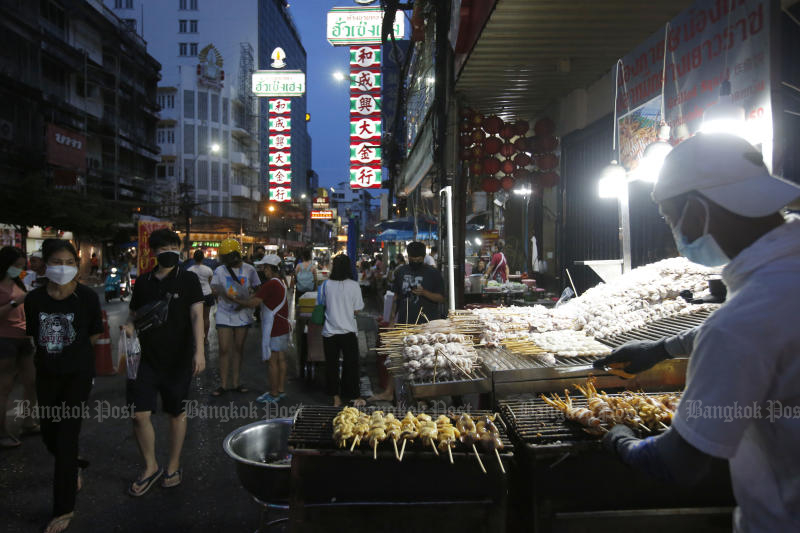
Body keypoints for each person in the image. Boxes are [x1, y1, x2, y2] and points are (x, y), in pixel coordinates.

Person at [596, 133, 800, 532]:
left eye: (669, 218)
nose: (675, 229)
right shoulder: (779, 282)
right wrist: (662, 348)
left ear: (695, 211)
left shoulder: (739, 325)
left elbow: (676, 463)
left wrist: (619, 440)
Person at [24, 239, 103, 533]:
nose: (64, 268)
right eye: (58, 262)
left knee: (67, 437)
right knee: (49, 435)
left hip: (77, 377)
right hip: (46, 374)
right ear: (46, 265)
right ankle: (72, 466)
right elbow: (35, 335)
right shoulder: (34, 300)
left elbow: (94, 335)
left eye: (70, 263)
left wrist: (77, 359)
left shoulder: (87, 298)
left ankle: (63, 508)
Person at [123, 228, 205, 497]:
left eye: (172, 246)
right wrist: (130, 327)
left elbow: (197, 316)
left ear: (179, 249)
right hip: (145, 359)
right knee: (138, 414)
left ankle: (173, 464)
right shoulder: (144, 281)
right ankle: (150, 466)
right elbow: (135, 313)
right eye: (161, 247)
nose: (167, 251)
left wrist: (199, 352)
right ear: (153, 252)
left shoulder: (189, 279)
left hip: (178, 358)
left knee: (175, 413)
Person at [370, 243, 445, 402]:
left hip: (426, 323)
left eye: (418, 258)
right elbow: (396, 297)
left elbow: (441, 298)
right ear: (408, 257)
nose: (415, 261)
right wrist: (391, 320)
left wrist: (424, 292)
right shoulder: (401, 271)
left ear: (424, 257)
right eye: (412, 258)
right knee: (397, 357)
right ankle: (389, 392)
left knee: (424, 360)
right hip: (403, 320)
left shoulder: (434, 274)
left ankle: (424, 396)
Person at [235, 255, 290, 404]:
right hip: (283, 326)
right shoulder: (281, 282)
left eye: (265, 267)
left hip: (274, 328)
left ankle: (273, 394)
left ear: (271, 268)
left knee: (272, 361)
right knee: (281, 359)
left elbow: (254, 302)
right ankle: (280, 389)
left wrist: (236, 300)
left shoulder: (271, 284)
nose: (263, 270)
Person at [210, 238, 260, 396]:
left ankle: (236, 382)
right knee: (224, 349)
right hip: (224, 313)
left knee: (238, 348)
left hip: (242, 313)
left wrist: (248, 300)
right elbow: (214, 288)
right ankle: (223, 384)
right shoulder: (220, 270)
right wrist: (219, 293)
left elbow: (258, 289)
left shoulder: (250, 269)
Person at [0, 247, 38, 448]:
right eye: (17, 266)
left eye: (22, 266)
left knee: (31, 381)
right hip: (4, 339)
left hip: (24, 338)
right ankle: (1, 431)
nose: (20, 270)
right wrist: (16, 302)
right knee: (4, 386)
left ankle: (28, 421)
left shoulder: (18, 283)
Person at [319, 254, 365, 407]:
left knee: (331, 365)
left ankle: (335, 397)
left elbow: (322, 304)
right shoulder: (354, 285)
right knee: (351, 364)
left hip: (330, 332)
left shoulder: (326, 285)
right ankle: (351, 394)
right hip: (348, 331)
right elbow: (357, 310)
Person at [186, 249, 214, 341]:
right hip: (207, 294)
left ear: (193, 258)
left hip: (195, 296)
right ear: (203, 258)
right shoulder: (208, 270)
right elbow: (210, 282)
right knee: (206, 317)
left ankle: (196, 338)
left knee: (196, 318)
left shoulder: (189, 270)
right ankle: (205, 339)